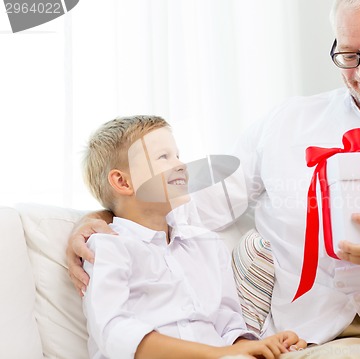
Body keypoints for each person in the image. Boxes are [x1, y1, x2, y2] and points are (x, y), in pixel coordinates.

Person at [68, 1, 360, 358]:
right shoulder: (286, 123)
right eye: (348, 56)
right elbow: (189, 203)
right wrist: (102, 215)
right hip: (317, 336)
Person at [78, 115, 306, 359]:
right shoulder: (108, 247)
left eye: (178, 155)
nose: (181, 165)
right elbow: (115, 332)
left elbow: (228, 324)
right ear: (123, 182)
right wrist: (215, 354)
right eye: (163, 157)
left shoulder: (206, 244)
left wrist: (258, 346)